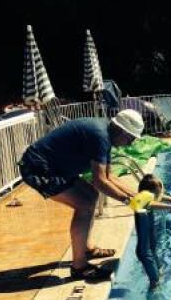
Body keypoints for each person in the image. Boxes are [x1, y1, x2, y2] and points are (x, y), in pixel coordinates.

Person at [19, 110, 144, 279]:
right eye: (131, 139)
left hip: (55, 167)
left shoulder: (105, 134)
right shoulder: (100, 136)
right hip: (38, 168)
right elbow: (100, 181)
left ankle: (86, 248)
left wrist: (137, 196)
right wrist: (130, 202)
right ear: (122, 131)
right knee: (84, 205)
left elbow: (109, 176)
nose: (130, 144)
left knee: (91, 195)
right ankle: (79, 266)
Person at [129, 174, 171, 289]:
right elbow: (151, 203)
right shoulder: (143, 202)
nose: (160, 195)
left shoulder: (146, 197)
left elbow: (157, 199)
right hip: (145, 251)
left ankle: (156, 280)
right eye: (157, 193)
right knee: (155, 278)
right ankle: (155, 285)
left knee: (156, 264)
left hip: (149, 248)